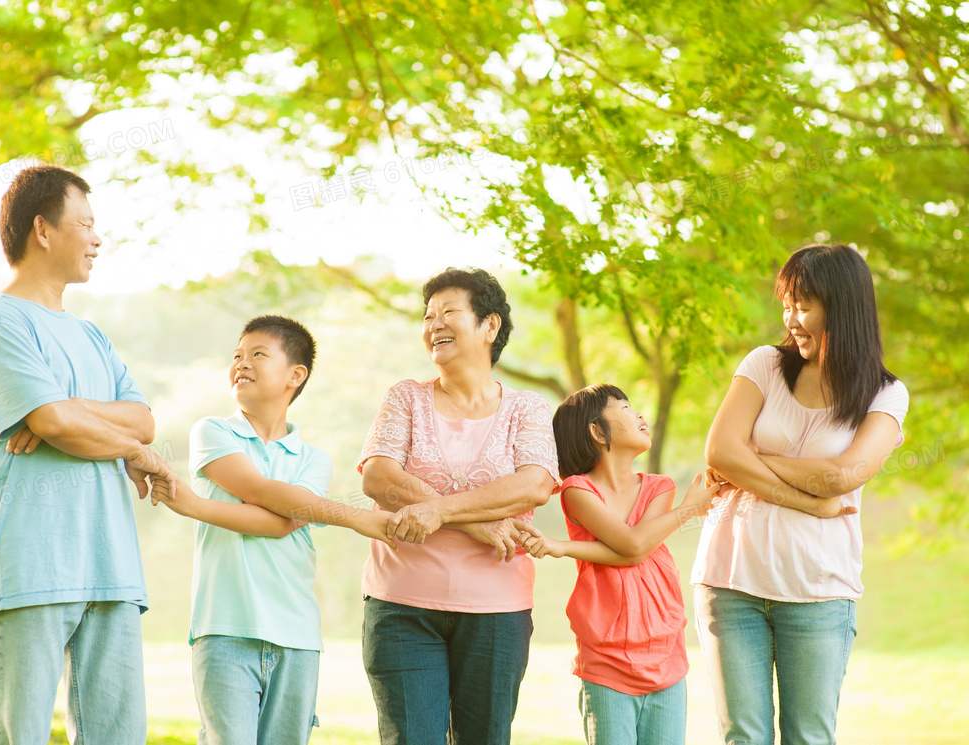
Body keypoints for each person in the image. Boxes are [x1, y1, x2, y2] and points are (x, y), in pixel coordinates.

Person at [0, 164, 175, 745]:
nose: (97, 238)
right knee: (19, 733)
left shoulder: (92, 337)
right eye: (84, 223)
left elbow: (144, 420)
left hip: (111, 566)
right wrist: (119, 443)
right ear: (43, 230)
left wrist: (69, 408)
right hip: (32, 563)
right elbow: (57, 425)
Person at [692, 243, 909, 745]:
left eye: (804, 305)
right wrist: (808, 500)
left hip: (817, 592)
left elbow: (843, 476)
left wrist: (756, 460)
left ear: (843, 307)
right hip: (730, 582)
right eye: (787, 304)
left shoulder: (885, 394)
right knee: (743, 737)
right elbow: (720, 451)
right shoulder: (765, 364)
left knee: (808, 737)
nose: (790, 318)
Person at [147, 315, 395, 745]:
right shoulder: (212, 431)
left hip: (296, 635)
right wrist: (357, 517)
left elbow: (283, 521)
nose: (241, 363)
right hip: (225, 628)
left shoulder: (313, 458)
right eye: (237, 355)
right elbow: (261, 491)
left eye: (258, 354)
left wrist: (197, 506)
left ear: (295, 375)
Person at [357, 267, 559, 745]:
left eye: (449, 312)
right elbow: (378, 476)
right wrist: (478, 523)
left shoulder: (525, 408)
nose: (433, 324)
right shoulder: (406, 397)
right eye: (428, 316)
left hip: (497, 612)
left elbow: (534, 485)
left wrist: (442, 512)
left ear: (489, 326)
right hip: (401, 606)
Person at [521, 384, 719, 745]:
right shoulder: (577, 490)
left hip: (664, 650)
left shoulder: (660, 487)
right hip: (606, 658)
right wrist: (691, 509)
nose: (639, 414)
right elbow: (632, 544)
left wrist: (561, 547)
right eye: (625, 408)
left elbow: (636, 549)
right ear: (597, 431)